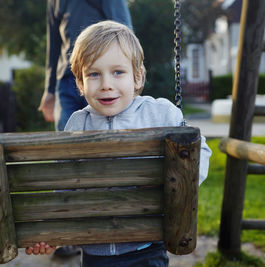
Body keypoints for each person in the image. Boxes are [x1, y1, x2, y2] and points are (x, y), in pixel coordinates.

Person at [26, 20, 212, 266]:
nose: (106, 84)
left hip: (146, 247)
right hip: (95, 253)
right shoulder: (77, 124)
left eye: (117, 72)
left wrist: (171, 188)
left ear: (137, 77)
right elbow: (64, 187)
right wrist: (53, 233)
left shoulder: (160, 114)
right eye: (94, 74)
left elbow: (199, 153)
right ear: (81, 84)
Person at [40, 0, 132, 131]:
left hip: (100, 78)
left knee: (104, 139)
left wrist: (124, 77)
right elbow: (54, 43)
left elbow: (125, 35)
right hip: (66, 79)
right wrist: (49, 90)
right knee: (66, 141)